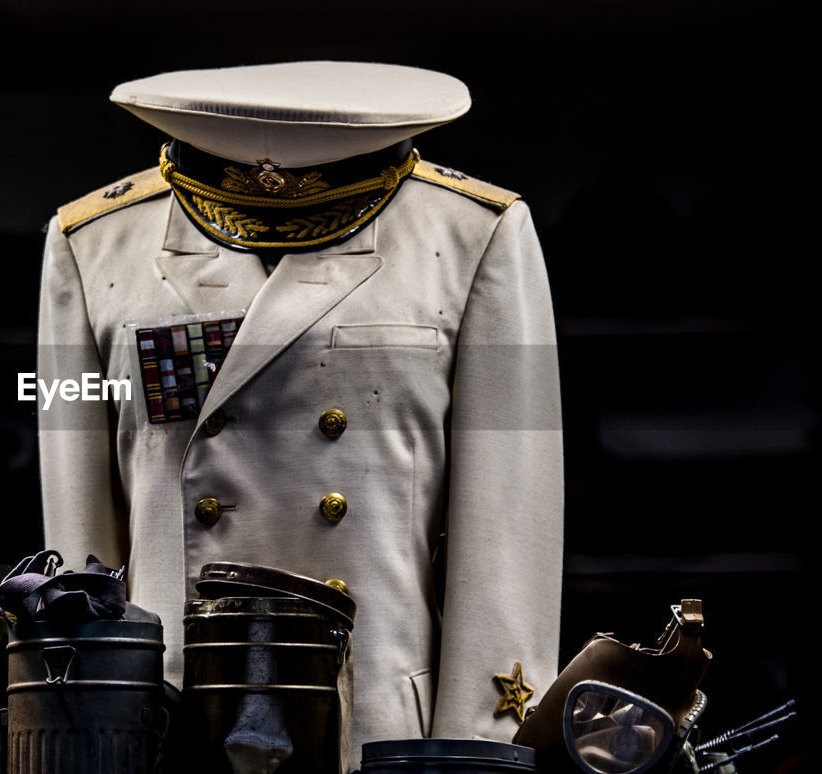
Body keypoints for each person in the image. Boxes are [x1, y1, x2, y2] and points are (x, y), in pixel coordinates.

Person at [36, 61, 563, 768]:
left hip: (378, 725)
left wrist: (477, 750)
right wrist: (83, 721)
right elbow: (81, 544)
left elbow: (508, 523)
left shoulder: (473, 236)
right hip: (167, 721)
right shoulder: (94, 244)